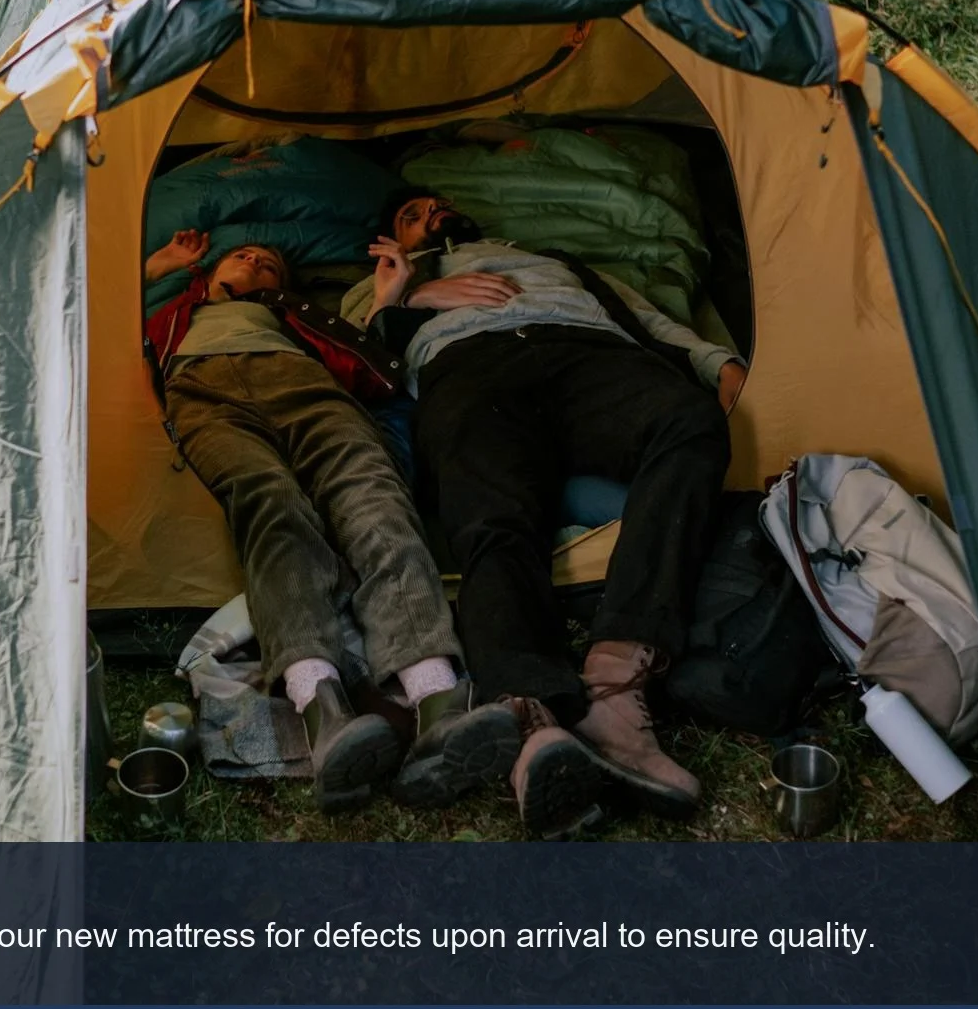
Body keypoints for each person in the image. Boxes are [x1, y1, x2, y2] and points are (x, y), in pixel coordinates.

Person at [344, 191, 747, 835]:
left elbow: (643, 317)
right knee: (491, 519)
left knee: (689, 422)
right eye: (410, 215)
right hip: (469, 367)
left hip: (588, 354)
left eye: (436, 204)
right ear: (392, 235)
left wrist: (715, 361)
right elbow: (361, 362)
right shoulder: (386, 278)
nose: (430, 215)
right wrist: (405, 298)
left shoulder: (555, 260)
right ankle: (529, 724)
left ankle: (617, 691)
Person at [144, 229, 517, 813]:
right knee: (268, 502)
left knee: (372, 495)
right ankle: (323, 711)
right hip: (201, 389)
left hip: (303, 383)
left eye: (270, 263)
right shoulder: (172, 309)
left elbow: (370, 361)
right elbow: (84, 308)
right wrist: (158, 265)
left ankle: (439, 701)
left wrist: (389, 297)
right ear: (211, 273)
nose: (257, 258)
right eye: (244, 255)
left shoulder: (300, 318)